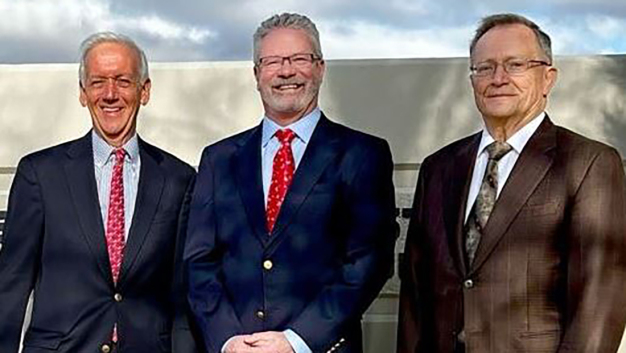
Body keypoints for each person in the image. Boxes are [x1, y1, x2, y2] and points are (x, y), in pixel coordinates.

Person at [397, 13, 626, 353]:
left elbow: (599, 300)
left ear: (547, 78)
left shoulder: (587, 163)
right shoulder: (440, 168)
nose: (498, 78)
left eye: (515, 64)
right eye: (484, 68)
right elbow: (416, 292)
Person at [185, 12, 397, 353]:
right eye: (272, 61)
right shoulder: (219, 159)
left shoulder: (362, 154)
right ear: (256, 74)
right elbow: (199, 262)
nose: (286, 71)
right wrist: (227, 340)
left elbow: (369, 262)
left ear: (321, 67)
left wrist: (296, 341)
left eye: (299, 58)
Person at [0, 32, 199, 353]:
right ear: (82, 93)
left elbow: (181, 295)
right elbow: (10, 284)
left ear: (144, 90)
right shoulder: (40, 174)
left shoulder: (178, 179)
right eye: (97, 82)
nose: (109, 94)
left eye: (122, 81)